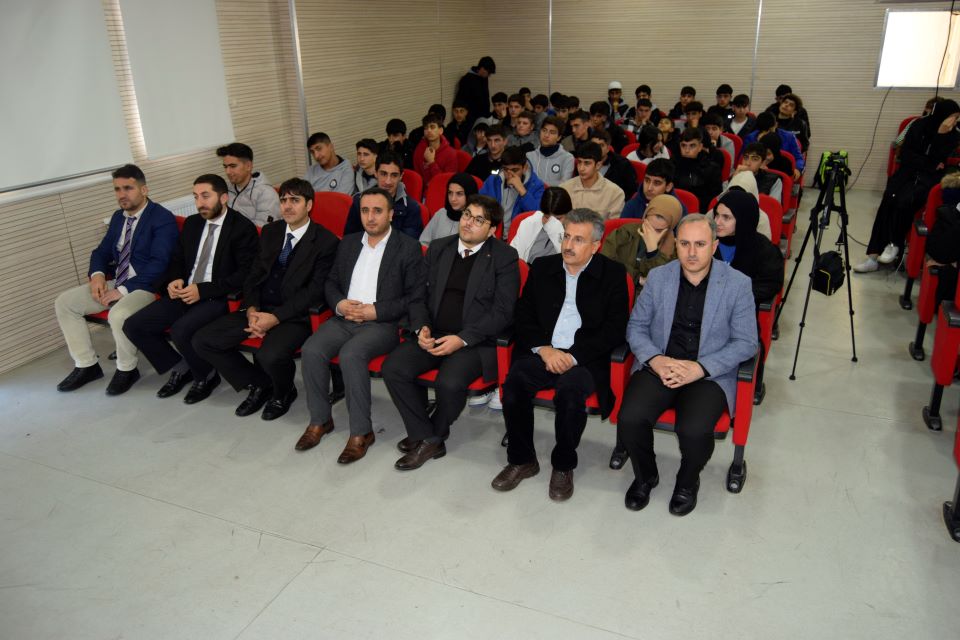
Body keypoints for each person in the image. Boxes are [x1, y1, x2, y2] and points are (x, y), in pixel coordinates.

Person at [617, 214, 757, 515]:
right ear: (675, 244)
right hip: (661, 364)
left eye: (700, 244)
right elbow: (636, 327)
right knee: (630, 418)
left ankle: (687, 481)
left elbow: (747, 342)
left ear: (714, 246)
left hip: (707, 373)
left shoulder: (737, 284)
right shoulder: (659, 277)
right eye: (684, 244)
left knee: (693, 430)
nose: (692, 252)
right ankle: (646, 476)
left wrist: (700, 368)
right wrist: (655, 359)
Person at [493, 209, 629, 501]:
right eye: (566, 236)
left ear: (596, 245)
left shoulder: (613, 274)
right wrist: (545, 349)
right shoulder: (543, 267)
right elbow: (524, 315)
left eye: (578, 239)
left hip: (585, 357)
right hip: (544, 350)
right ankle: (522, 460)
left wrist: (573, 356)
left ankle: (563, 465)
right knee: (515, 383)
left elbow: (615, 329)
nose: (568, 245)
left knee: (570, 394)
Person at [382, 195, 520, 471]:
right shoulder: (438, 248)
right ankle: (428, 436)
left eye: (479, 220)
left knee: (449, 383)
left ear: (492, 230)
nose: (468, 222)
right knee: (394, 368)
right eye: (467, 214)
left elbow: (503, 312)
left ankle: (431, 435)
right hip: (433, 332)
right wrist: (421, 327)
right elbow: (417, 296)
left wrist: (462, 339)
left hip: (474, 341)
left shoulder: (504, 257)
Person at [192, 178, 339, 421]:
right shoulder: (271, 232)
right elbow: (253, 275)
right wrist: (252, 309)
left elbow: (314, 292)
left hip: (294, 316)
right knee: (203, 340)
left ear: (309, 205)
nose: (287, 206)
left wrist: (275, 318)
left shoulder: (326, 242)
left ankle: (283, 392)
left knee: (268, 355)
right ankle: (260, 384)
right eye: (283, 200)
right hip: (259, 308)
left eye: (295, 200)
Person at [296, 187, 425, 462]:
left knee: (351, 354)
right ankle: (320, 420)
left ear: (391, 214)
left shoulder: (408, 247)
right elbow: (330, 282)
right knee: (311, 350)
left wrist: (375, 311)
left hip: (382, 324)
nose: (370, 217)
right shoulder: (348, 243)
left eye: (377, 211)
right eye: (365, 210)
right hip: (344, 317)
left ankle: (361, 432)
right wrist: (340, 304)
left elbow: (414, 297)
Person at [122, 174, 259, 400]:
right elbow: (177, 259)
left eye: (205, 196)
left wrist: (202, 290)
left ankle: (206, 376)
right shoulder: (193, 223)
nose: (199, 203)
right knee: (134, 326)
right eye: (196, 197)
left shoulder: (242, 228)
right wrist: (175, 279)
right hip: (186, 291)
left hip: (217, 296)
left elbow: (244, 275)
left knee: (181, 330)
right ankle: (182, 366)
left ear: (223, 198)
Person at [54, 165, 178, 394]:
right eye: (117, 189)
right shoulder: (118, 217)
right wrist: (98, 276)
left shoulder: (162, 218)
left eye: (128, 188)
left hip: (146, 286)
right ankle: (86, 365)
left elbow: (159, 264)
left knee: (118, 314)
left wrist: (122, 290)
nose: (122, 194)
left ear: (144, 190)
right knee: (65, 302)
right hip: (118, 280)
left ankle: (127, 369)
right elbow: (101, 252)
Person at [855, 100, 960, 272]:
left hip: (929, 179)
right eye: (953, 117)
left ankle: (894, 244)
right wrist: (929, 163)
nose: (954, 122)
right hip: (908, 171)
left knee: (906, 200)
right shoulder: (918, 125)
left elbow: (940, 161)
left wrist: (940, 135)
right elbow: (905, 154)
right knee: (889, 199)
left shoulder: (953, 135)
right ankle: (873, 257)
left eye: (956, 118)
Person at [713, 191, 784, 306]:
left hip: (743, 309)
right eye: (716, 215)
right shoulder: (706, 241)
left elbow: (770, 284)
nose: (717, 222)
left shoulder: (763, 249)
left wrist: (733, 293)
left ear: (743, 219)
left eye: (726, 217)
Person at [601, 194, 682, 288]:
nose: (651, 234)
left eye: (658, 231)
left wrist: (653, 252)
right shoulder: (625, 232)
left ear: (670, 227)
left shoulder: (675, 249)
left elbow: (662, 281)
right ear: (645, 216)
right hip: (616, 288)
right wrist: (638, 278)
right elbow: (605, 263)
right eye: (649, 226)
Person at [344, 150, 423, 239]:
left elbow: (408, 245)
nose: (388, 181)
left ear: (401, 176)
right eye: (383, 174)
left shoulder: (412, 208)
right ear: (375, 173)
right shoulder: (359, 201)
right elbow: (349, 239)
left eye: (394, 175)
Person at [479, 145, 546, 239]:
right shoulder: (493, 181)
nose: (509, 175)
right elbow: (479, 206)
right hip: (492, 235)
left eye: (515, 170)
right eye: (506, 169)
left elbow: (538, 216)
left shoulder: (536, 185)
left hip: (520, 238)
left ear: (525, 168)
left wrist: (523, 191)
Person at [217, 143, 280, 226]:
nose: (227, 172)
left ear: (248, 166)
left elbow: (263, 229)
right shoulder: (227, 189)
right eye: (225, 167)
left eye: (233, 166)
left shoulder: (266, 194)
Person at [560, 142, 625, 219]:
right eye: (579, 162)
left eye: (587, 163)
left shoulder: (615, 193)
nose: (581, 168)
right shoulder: (564, 188)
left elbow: (613, 224)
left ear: (598, 165)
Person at [510, 186, 572, 263]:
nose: (551, 223)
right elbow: (513, 255)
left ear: (569, 214)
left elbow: (569, 262)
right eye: (547, 217)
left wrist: (557, 232)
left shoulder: (575, 232)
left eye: (558, 219)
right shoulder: (529, 223)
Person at [707, 170, 773, 241]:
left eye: (726, 217)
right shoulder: (716, 211)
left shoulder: (761, 219)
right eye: (732, 193)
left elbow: (762, 245)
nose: (717, 222)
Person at [420, 172, 479, 246]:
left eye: (459, 194)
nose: (453, 199)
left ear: (469, 195)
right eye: (450, 193)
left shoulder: (477, 221)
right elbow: (423, 242)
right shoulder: (441, 213)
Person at [673, 128, 723, 213]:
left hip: (700, 212)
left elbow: (714, 201)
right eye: (683, 145)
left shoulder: (712, 169)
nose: (687, 150)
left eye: (692, 146)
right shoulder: (671, 165)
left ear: (700, 147)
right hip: (674, 209)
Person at [743, 112, 804, 179]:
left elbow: (799, 158)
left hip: (781, 168)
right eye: (762, 131)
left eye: (769, 130)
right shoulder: (751, 138)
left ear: (776, 125)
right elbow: (743, 157)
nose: (766, 134)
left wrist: (798, 168)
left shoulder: (789, 137)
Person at [526, 116, 575, 187]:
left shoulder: (567, 158)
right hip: (532, 194)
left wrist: (538, 183)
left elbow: (565, 184)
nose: (546, 135)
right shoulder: (529, 156)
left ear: (559, 137)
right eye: (544, 130)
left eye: (552, 132)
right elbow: (526, 182)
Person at [413, 113, 458, 188]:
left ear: (441, 130)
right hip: (424, 190)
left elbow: (446, 182)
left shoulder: (451, 153)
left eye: (432, 127)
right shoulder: (420, 149)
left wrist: (431, 163)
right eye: (426, 128)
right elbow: (418, 176)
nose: (429, 130)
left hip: (442, 190)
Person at [591, 129, 637, 200]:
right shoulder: (584, 161)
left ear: (608, 148)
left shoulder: (623, 165)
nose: (597, 149)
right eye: (594, 145)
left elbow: (630, 192)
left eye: (601, 145)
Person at [454, 56, 496, 131]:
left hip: (483, 116)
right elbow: (462, 101)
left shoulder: (484, 77)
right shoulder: (467, 80)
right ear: (482, 69)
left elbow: (485, 96)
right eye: (488, 73)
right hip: (472, 118)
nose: (489, 75)